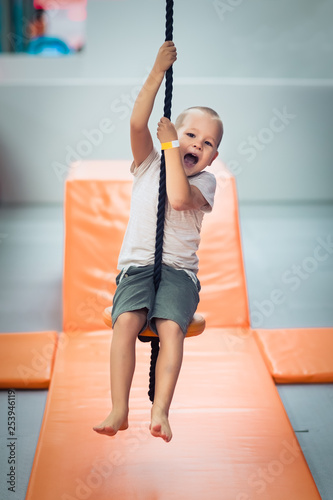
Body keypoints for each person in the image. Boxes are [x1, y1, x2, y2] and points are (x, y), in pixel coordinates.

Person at [93, 41, 223, 443]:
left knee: (170, 328)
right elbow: (136, 124)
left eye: (208, 143)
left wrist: (171, 145)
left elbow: (178, 198)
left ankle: (161, 411)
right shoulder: (148, 161)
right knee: (125, 324)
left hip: (179, 275)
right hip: (137, 267)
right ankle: (119, 409)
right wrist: (157, 70)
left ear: (213, 158)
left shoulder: (204, 182)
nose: (198, 145)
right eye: (190, 135)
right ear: (172, 132)